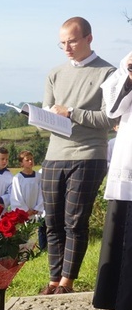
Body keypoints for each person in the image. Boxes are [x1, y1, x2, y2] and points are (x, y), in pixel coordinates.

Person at [39, 17, 116, 295]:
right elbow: (49, 111)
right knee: (52, 222)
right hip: (53, 155)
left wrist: (71, 112)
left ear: (89, 39)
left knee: (74, 221)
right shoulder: (54, 73)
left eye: (71, 41)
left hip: (88, 155)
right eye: (62, 43)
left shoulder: (109, 73)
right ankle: (52, 279)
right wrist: (40, 117)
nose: (67, 48)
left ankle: (67, 282)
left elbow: (109, 118)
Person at [93, 51, 132, 310]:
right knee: (125, 242)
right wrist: (129, 76)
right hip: (128, 168)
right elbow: (112, 110)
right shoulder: (126, 63)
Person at [10, 150, 47, 250]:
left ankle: (38, 251)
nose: (30, 162)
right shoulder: (17, 178)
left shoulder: (39, 177)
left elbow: (41, 193)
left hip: (35, 212)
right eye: (27, 160)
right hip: (24, 213)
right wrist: (26, 210)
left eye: (31, 159)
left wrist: (37, 208)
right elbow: (17, 196)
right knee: (24, 235)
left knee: (36, 233)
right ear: (21, 163)